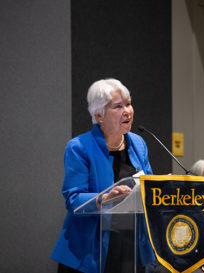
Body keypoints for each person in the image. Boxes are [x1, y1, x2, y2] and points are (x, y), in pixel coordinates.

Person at [51, 79, 156, 273]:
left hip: (131, 247)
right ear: (99, 115)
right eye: (118, 106)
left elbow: (150, 185)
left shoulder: (138, 143)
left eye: (129, 103)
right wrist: (103, 198)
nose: (128, 111)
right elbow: (73, 199)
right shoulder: (79, 147)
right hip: (89, 250)